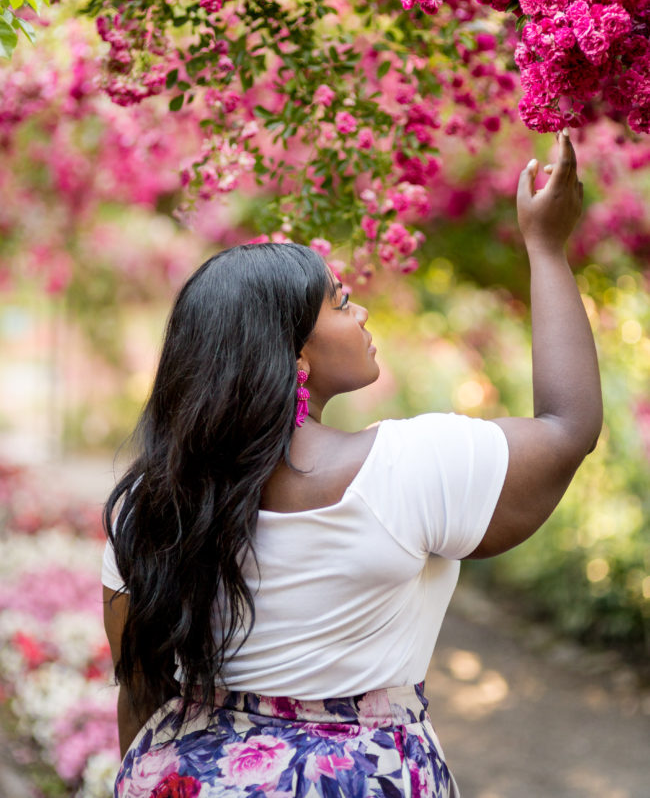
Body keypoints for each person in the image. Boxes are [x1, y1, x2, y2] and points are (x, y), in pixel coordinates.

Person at [102, 130, 602, 798]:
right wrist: (546, 247)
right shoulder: (406, 467)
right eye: (339, 301)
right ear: (293, 353)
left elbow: (139, 691)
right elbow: (569, 429)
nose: (359, 310)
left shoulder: (150, 503)